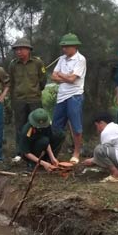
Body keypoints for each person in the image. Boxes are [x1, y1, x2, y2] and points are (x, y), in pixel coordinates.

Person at [9, 38, 48, 162]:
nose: (18, 52)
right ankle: (20, 152)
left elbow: (43, 81)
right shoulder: (13, 64)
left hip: (34, 99)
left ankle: (37, 151)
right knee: (20, 127)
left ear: (28, 50)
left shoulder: (38, 63)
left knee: (38, 125)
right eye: (16, 49)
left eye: (21, 49)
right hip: (19, 100)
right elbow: (12, 82)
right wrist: (14, 97)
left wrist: (35, 91)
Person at [51, 33, 86, 164]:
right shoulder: (62, 59)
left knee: (76, 126)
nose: (64, 49)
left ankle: (76, 152)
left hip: (74, 95)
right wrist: (64, 75)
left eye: (66, 46)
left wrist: (61, 75)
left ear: (74, 46)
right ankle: (54, 153)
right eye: (63, 46)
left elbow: (72, 80)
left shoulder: (80, 59)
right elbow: (53, 77)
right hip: (61, 96)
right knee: (56, 126)